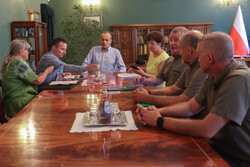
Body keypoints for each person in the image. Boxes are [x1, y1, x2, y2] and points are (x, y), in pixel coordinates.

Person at [137, 32, 250, 167]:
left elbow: (207, 128)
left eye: (199, 55)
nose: (198, 59)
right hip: (213, 147)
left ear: (209, 58)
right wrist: (157, 112)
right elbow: (191, 107)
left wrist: (159, 120)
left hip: (235, 159)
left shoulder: (239, 79)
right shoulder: (213, 75)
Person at [133, 30, 206, 107]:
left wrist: (148, 97)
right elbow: (170, 88)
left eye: (176, 40)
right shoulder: (174, 61)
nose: (171, 43)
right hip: (168, 103)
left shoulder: (198, 68)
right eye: (171, 40)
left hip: (178, 108)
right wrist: (147, 91)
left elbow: (185, 102)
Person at [1, 40, 54, 117]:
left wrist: (40, 75)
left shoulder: (13, 62)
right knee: (50, 106)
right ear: (20, 51)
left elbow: (33, 78)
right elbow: (37, 81)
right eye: (27, 50)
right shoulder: (18, 62)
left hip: (13, 103)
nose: (29, 52)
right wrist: (47, 71)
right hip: (20, 103)